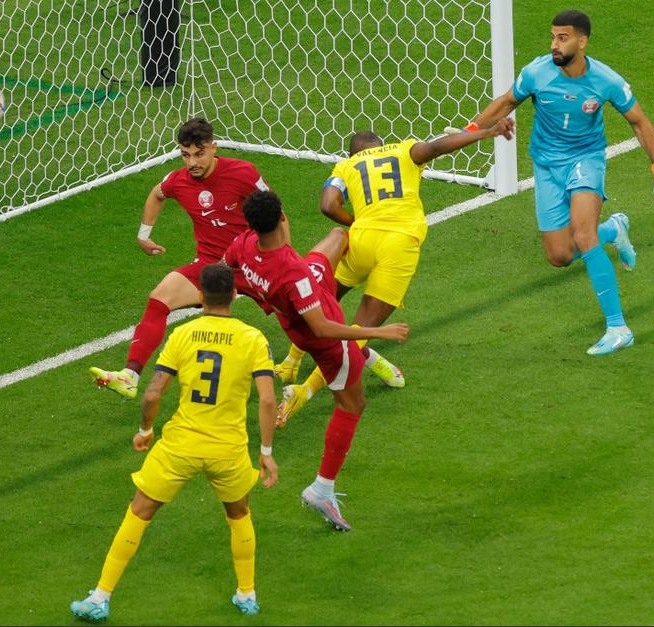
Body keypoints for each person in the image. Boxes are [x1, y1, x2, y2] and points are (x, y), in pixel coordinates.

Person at [462, 9, 654, 355]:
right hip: (546, 166)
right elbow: (506, 102)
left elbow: (639, 121)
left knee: (583, 235)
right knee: (560, 256)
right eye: (552, 37)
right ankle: (614, 230)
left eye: (562, 38)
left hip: (586, 161)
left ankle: (618, 326)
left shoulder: (605, 80)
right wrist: (468, 134)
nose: (554, 44)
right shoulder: (536, 73)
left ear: (582, 41)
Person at [70, 264, 279, 621]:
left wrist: (145, 431)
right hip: (227, 449)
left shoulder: (183, 334)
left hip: (180, 445)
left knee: (139, 511)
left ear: (199, 297)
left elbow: (152, 393)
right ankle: (247, 593)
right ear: (233, 295)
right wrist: (266, 452)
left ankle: (101, 597)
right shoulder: (253, 339)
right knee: (239, 513)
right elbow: (267, 400)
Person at [274, 119, 516, 421]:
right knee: (359, 332)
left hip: (361, 241)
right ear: (381, 144)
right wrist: (487, 132)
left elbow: (327, 204)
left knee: (317, 302)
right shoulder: (403, 150)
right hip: (398, 246)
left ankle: (290, 361)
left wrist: (357, 222)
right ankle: (303, 392)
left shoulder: (346, 167)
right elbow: (438, 146)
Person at [223, 190, 409, 532]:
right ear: (282, 217)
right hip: (325, 342)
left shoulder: (245, 242)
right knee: (352, 404)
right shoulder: (294, 275)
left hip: (298, 290)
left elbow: (228, 266)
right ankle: (322, 488)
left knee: (339, 236)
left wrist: (251, 289)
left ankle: (364, 355)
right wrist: (379, 332)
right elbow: (323, 329)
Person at [90, 117, 270, 399]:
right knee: (159, 298)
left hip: (252, 263)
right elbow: (157, 194)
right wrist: (143, 235)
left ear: (213, 147)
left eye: (199, 154)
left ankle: (358, 356)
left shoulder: (243, 173)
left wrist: (281, 258)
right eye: (186, 155)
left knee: (304, 320)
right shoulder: (179, 181)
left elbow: (276, 213)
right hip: (212, 267)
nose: (192, 162)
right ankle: (129, 376)